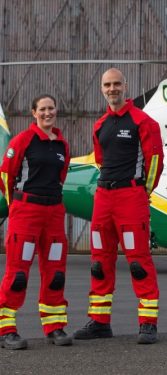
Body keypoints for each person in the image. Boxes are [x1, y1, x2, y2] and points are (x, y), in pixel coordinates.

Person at [73, 68, 164, 344]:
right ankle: (100, 322)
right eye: (107, 85)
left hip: (130, 198)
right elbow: (101, 161)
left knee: (138, 262)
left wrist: (140, 192)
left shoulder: (143, 122)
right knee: (99, 263)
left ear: (125, 87)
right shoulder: (100, 124)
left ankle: (148, 324)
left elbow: (155, 164)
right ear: (102, 89)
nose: (112, 89)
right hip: (103, 198)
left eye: (116, 84)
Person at [0, 94, 72, 350]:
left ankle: (54, 326)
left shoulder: (62, 144)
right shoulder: (23, 140)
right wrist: (16, 206)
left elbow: (61, 177)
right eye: (42, 109)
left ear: (56, 111)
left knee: (55, 273)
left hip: (53, 214)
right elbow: (5, 174)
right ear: (34, 113)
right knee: (18, 273)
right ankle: (6, 330)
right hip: (26, 213)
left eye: (51, 108)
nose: (47, 113)